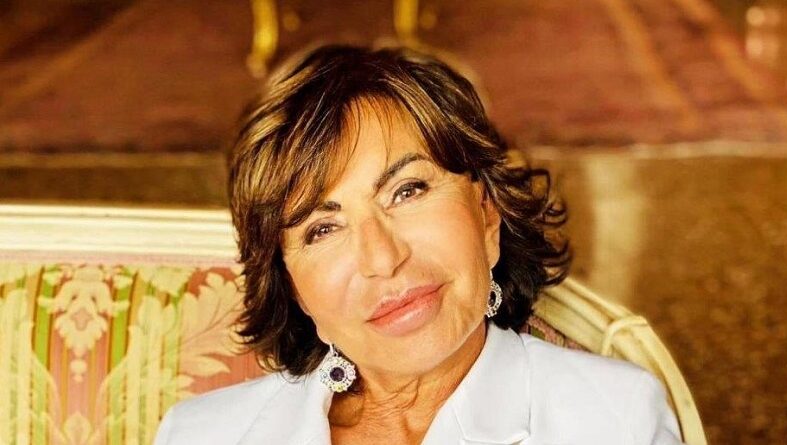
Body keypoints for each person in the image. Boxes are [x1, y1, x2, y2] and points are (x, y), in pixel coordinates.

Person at [153, 44, 684, 445]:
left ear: (487, 213)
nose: (383, 258)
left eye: (407, 191)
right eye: (323, 228)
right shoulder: (201, 435)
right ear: (294, 289)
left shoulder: (614, 420)